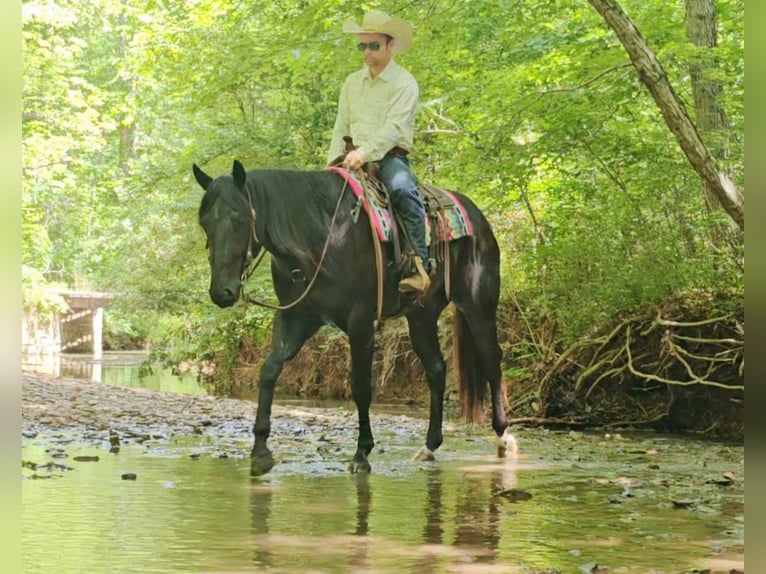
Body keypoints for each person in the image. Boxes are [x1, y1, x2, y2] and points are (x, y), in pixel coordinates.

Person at [327, 9, 431, 295]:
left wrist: (364, 152)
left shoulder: (404, 82)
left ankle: (418, 263)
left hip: (389, 157)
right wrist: (331, 162)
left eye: (374, 45)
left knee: (401, 189)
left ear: (391, 45)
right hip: (350, 158)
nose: (367, 53)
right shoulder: (351, 83)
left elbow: (393, 128)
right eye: (363, 46)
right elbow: (341, 125)